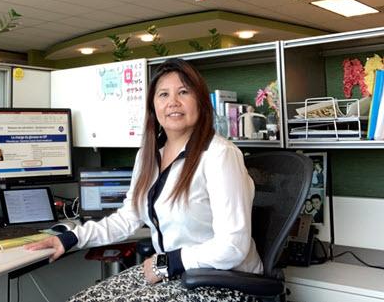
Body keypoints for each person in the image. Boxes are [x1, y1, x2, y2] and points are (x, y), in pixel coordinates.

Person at [25, 58, 263, 302]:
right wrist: (73, 237)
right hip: (175, 274)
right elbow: (128, 218)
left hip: (226, 281)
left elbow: (233, 246)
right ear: (153, 105)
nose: (173, 102)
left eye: (183, 92)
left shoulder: (219, 155)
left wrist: (166, 262)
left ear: (201, 102)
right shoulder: (148, 156)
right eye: (163, 94)